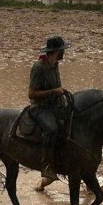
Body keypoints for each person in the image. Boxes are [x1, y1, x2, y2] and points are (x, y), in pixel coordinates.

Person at [28, 36, 71, 187]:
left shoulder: (55, 64)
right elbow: (31, 94)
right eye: (62, 50)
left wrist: (60, 92)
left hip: (55, 105)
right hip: (40, 107)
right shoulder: (38, 67)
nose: (64, 53)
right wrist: (54, 91)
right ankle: (46, 166)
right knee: (51, 129)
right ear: (56, 51)